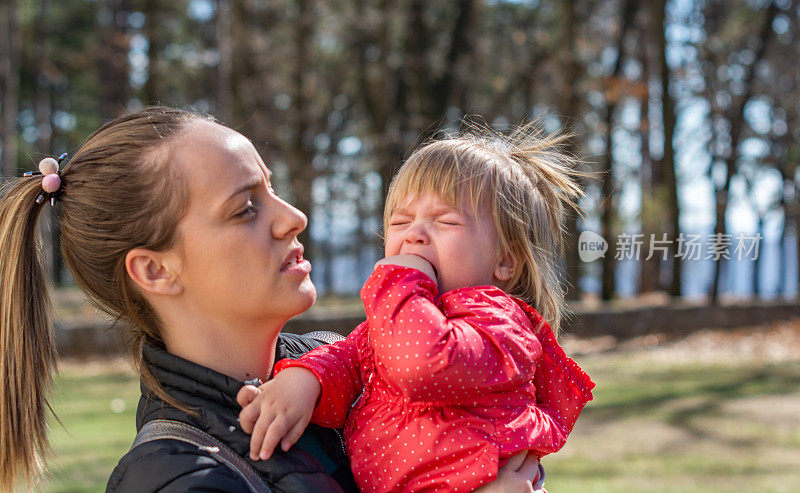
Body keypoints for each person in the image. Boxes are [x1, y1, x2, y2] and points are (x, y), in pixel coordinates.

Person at [0, 107, 543, 492]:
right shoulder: (178, 478)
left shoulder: (354, 369)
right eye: (245, 209)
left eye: (272, 188)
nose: (294, 217)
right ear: (156, 270)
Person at [237, 122, 597, 493]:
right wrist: (304, 382)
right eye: (400, 221)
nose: (414, 234)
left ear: (506, 260)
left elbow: (422, 364)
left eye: (445, 221)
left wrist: (398, 281)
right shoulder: (402, 318)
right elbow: (348, 359)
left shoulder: (499, 321)